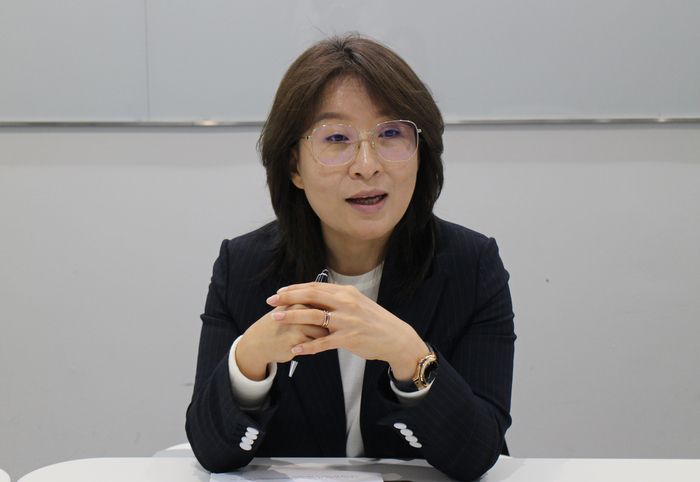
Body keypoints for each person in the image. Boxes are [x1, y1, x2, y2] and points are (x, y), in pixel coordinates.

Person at [185, 34, 515, 481]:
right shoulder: (243, 267)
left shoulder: (471, 266)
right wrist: (250, 360)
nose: (366, 165)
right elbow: (212, 452)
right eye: (337, 138)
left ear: (421, 153)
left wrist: (410, 357)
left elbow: (479, 454)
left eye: (391, 134)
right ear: (295, 167)